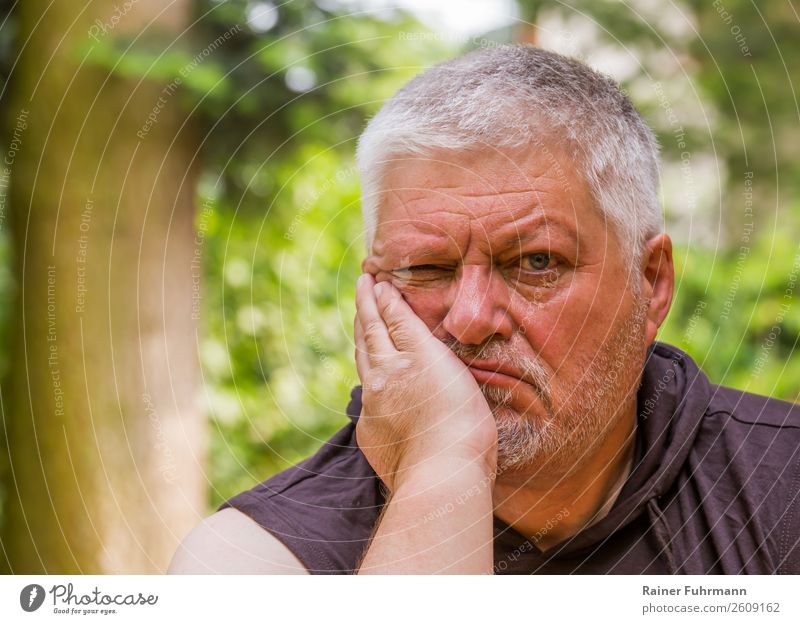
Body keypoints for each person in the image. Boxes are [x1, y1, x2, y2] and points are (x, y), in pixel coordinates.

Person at [168, 44, 800, 575]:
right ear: (372, 295)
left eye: (536, 263)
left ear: (651, 282)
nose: (469, 319)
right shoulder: (256, 560)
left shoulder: (783, 488)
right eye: (426, 269)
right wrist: (444, 461)